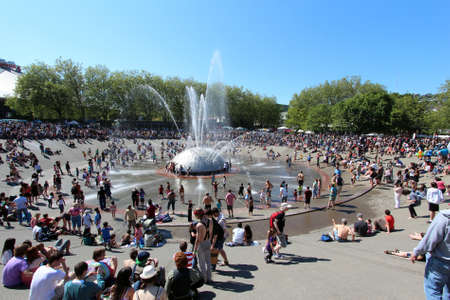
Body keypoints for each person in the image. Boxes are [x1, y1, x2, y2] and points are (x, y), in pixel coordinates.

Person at [411, 209, 450, 299]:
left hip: (440, 262)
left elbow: (430, 240)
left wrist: (417, 252)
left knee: (433, 290)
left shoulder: (444, 218)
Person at [193, 208, 212, 283]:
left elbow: (197, 239)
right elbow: (211, 233)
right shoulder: (210, 221)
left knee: (202, 263)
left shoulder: (199, 225)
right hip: (208, 241)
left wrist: (194, 250)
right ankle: (209, 278)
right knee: (208, 262)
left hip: (201, 244)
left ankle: (204, 279)